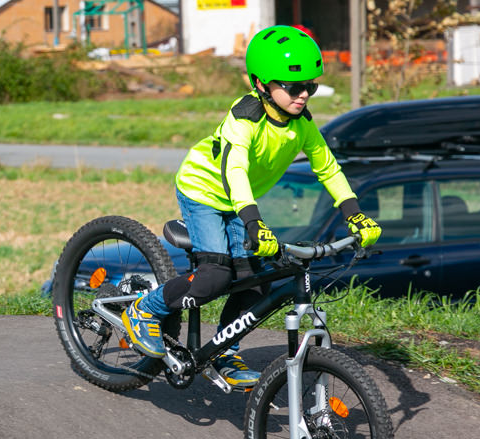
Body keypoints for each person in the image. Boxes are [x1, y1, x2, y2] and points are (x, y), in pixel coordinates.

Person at [122, 24, 382, 388]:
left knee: (257, 278)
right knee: (215, 276)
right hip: (205, 192)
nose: (304, 94)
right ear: (261, 84)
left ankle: (224, 350)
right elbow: (235, 170)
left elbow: (328, 168)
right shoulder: (245, 117)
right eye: (293, 87)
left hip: (237, 200)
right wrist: (253, 222)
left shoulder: (301, 124)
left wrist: (354, 215)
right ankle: (143, 310)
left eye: (311, 86)